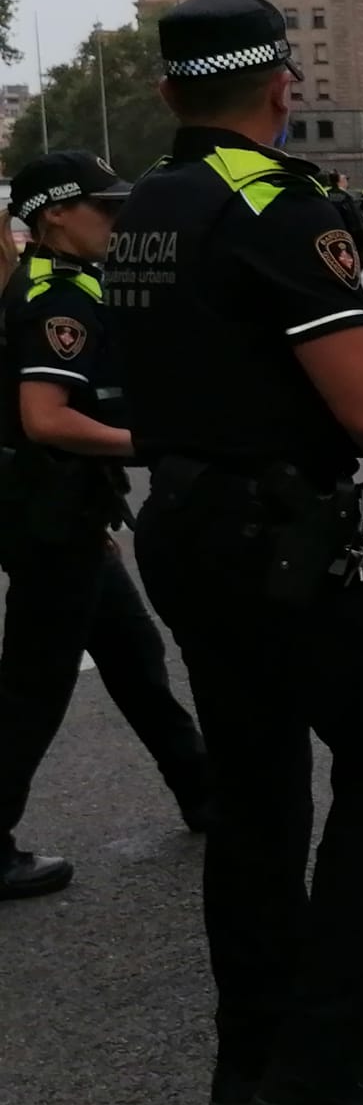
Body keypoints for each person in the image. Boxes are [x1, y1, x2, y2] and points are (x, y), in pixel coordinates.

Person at [102, 0, 363, 1105]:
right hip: (278, 539)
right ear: (282, 87)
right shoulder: (279, 205)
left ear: (171, 91)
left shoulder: (146, 209)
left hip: (181, 525)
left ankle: (252, 1065)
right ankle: (325, 1061)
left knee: (258, 800)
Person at [0, 153, 212, 901]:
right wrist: (151, 446)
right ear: (56, 213)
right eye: (105, 209)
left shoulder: (72, 281)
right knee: (34, 686)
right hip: (48, 515)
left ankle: (199, 792)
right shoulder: (55, 298)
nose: (119, 222)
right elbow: (46, 418)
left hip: (69, 510)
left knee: (134, 656)